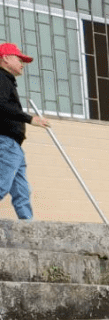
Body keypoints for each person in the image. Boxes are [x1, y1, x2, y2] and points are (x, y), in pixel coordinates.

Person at [0, 43, 49, 220]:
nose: (22, 64)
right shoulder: (1, 78)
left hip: (14, 145)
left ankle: (28, 226)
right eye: (19, 59)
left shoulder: (7, 80)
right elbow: (1, 105)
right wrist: (30, 119)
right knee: (2, 184)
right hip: (5, 142)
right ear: (5, 58)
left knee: (22, 190)